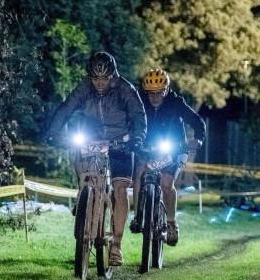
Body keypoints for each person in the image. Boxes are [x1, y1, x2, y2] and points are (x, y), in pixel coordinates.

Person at [46, 51, 147, 266]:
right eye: (95, 78)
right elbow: (66, 108)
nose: (100, 83)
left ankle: (116, 245)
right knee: (78, 152)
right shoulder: (84, 87)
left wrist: (137, 138)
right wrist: (53, 132)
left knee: (120, 189)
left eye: (104, 79)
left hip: (121, 141)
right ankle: (84, 193)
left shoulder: (125, 89)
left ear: (113, 76)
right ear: (89, 77)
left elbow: (139, 115)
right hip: (93, 138)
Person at [130, 68, 205, 246]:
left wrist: (198, 139)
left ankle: (171, 223)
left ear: (166, 90)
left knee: (166, 183)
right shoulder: (140, 101)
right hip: (148, 148)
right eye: (151, 93)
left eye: (159, 93)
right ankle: (137, 216)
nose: (155, 97)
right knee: (139, 172)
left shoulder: (176, 102)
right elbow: (129, 119)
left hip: (174, 150)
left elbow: (197, 121)